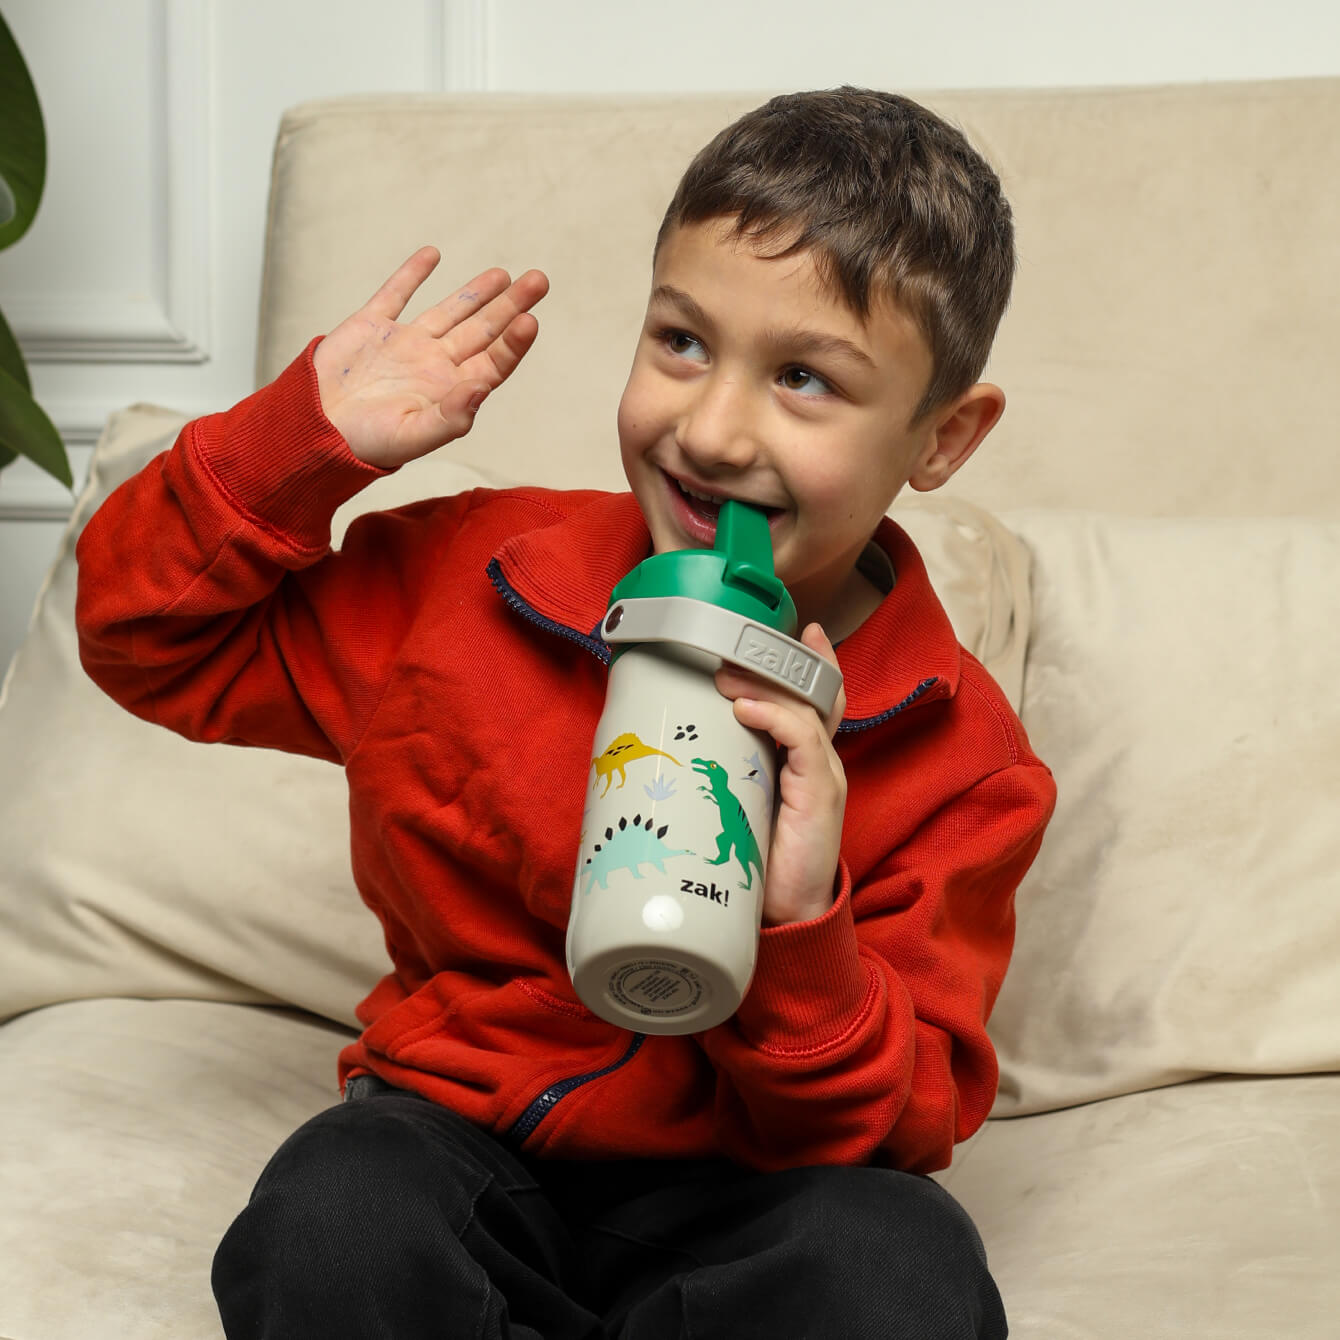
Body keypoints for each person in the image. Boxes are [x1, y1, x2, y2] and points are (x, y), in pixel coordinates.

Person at [75, 87, 1056, 1339]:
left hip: (758, 1189)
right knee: (334, 1211)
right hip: (460, 1145)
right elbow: (142, 634)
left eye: (804, 378)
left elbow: (904, 1113)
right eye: (681, 342)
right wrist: (306, 441)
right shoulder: (469, 579)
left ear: (941, 437)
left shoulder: (963, 759)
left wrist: (807, 926)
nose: (709, 430)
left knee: (899, 1262)